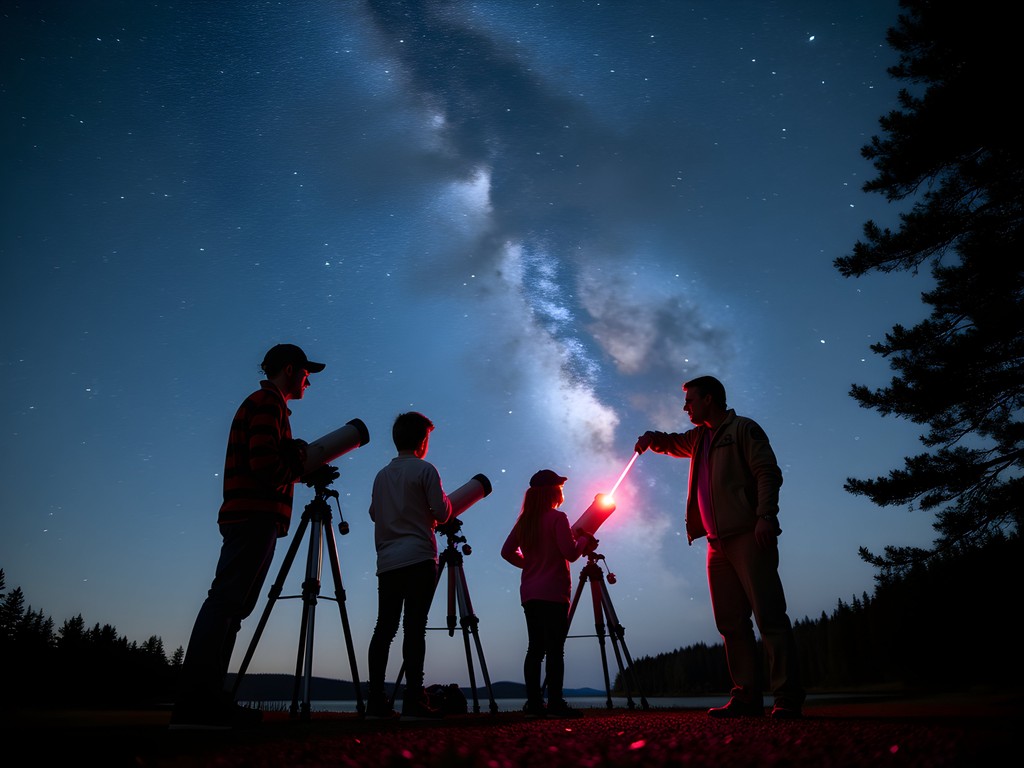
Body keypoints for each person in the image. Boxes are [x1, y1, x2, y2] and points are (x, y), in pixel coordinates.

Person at [170, 343, 334, 730]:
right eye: (306, 374)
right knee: (226, 604)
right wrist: (296, 458)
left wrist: (293, 456)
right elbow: (265, 466)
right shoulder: (267, 404)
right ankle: (196, 703)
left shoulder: (267, 405)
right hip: (254, 517)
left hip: (253, 517)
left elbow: (269, 461)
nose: (309, 381)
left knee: (233, 610)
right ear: (291, 369)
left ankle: (208, 701)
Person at [634, 375, 804, 719]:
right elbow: (673, 442)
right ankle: (745, 697)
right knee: (730, 624)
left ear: (709, 399)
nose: (686, 407)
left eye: (690, 400)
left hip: (748, 536)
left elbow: (767, 472)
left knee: (769, 616)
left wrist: (766, 515)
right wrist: (653, 439)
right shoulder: (699, 439)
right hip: (716, 545)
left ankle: (786, 696)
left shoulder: (743, 429)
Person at [365, 411, 454, 720]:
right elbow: (442, 514)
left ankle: (376, 700)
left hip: (388, 561)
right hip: (418, 558)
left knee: (384, 629)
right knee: (414, 629)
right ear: (423, 440)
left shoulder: (381, 475)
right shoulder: (426, 470)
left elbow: (374, 513)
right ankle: (414, 699)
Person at [500, 469, 597, 719]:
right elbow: (571, 553)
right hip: (554, 592)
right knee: (555, 649)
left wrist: (531, 565)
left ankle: (533, 703)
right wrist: (585, 540)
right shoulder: (558, 518)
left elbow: (507, 552)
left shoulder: (525, 521)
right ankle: (555, 703)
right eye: (560, 488)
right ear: (554, 492)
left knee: (535, 648)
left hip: (530, 593)